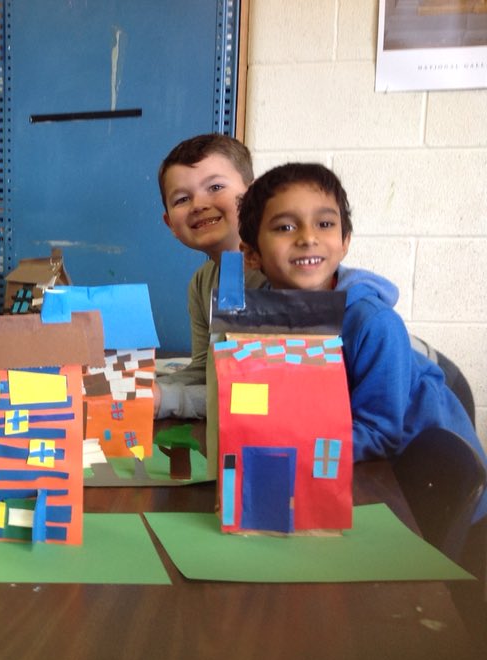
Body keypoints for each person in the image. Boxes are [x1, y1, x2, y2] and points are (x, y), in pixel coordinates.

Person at [237, 161, 487, 523]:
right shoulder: (265, 313)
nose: (308, 237)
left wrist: (289, 443)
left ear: (344, 242)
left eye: (325, 224)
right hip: (343, 461)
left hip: (420, 485)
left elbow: (381, 433)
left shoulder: (373, 322)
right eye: (285, 227)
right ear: (252, 254)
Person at [154, 133, 267, 418]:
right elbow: (207, 371)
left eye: (215, 186)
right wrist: (140, 389)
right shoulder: (202, 283)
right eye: (181, 199)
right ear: (170, 223)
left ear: (254, 196)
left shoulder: (275, 278)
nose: (199, 204)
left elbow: (253, 396)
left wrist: (162, 399)